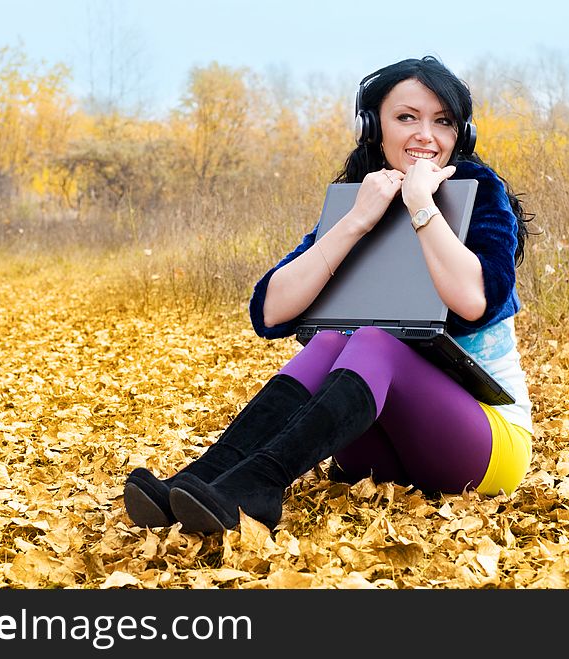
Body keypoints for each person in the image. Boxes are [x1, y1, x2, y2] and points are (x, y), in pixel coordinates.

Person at [123, 55, 534, 533]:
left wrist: (421, 204)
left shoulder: (479, 193)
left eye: (442, 122)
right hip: (379, 448)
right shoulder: (361, 198)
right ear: (373, 127)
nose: (426, 135)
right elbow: (271, 311)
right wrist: (357, 221)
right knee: (329, 342)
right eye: (406, 117)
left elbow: (474, 302)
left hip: (483, 445)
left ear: (462, 135)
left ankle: (260, 484)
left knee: (376, 339)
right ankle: (203, 478)